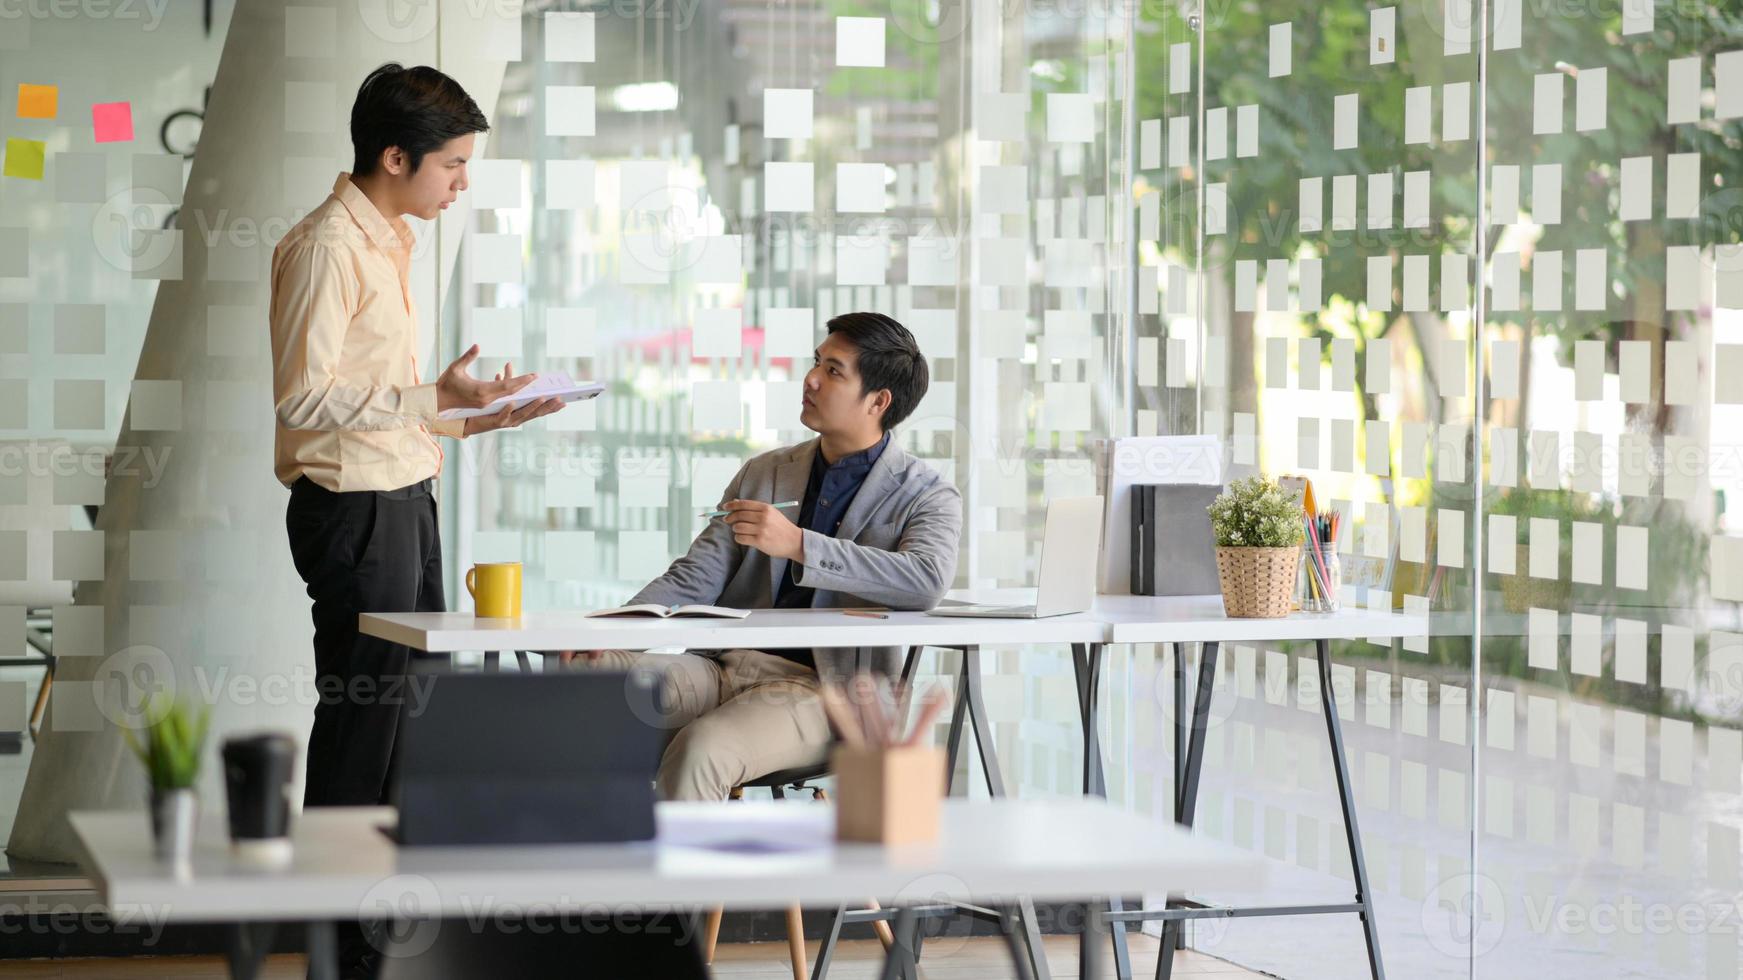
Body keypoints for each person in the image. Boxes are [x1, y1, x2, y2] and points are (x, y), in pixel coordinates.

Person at [270, 63, 564, 813]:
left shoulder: (387, 241)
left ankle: (390, 917)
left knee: (412, 709)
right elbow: (303, 398)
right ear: (396, 158)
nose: (461, 183)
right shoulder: (328, 247)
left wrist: (472, 417)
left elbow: (374, 399)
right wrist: (432, 393)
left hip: (402, 497)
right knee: (365, 716)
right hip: (354, 510)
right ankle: (341, 919)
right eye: (454, 164)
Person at [560, 312, 961, 801]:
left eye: (834, 371)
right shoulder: (766, 472)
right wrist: (612, 631)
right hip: (717, 668)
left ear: (879, 401)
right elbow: (695, 576)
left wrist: (797, 544)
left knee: (702, 749)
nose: (810, 379)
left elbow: (925, 580)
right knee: (582, 679)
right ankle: (563, 859)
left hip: (826, 693)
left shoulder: (927, 493)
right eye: (817, 362)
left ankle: (687, 878)